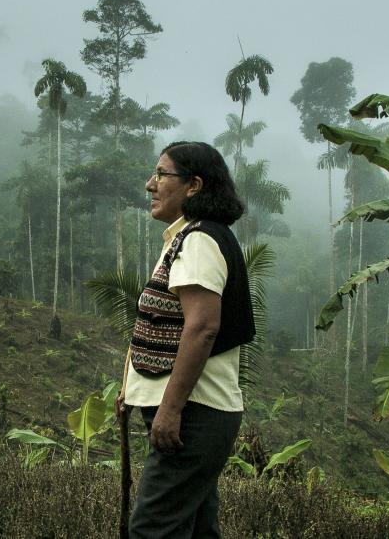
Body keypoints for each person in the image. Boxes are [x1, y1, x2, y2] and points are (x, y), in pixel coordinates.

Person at [121, 141, 256, 538]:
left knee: (152, 530)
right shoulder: (193, 237)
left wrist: (169, 409)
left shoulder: (198, 241)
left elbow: (201, 328)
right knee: (196, 530)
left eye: (162, 174)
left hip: (194, 415)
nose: (151, 184)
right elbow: (166, 326)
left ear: (193, 186)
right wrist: (132, 389)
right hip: (198, 414)